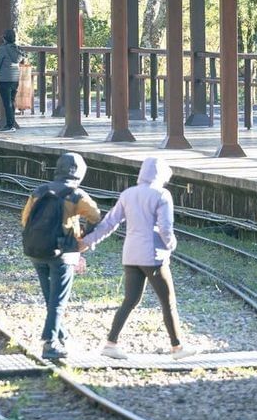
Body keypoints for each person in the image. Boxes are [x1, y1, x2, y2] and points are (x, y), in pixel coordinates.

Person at [79, 157, 195, 360]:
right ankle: (177, 347)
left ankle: (111, 343)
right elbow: (166, 228)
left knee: (130, 300)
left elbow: (109, 223)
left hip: (130, 255)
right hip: (153, 256)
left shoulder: (128, 194)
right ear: (162, 175)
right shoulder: (162, 195)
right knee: (168, 302)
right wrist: (171, 244)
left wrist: (87, 241)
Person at [21, 152, 101, 360]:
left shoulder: (38, 191)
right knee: (58, 299)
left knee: (50, 296)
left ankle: (61, 333)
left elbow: (25, 220)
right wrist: (83, 235)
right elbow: (95, 216)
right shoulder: (76, 195)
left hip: (35, 251)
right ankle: (50, 342)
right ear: (80, 173)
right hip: (63, 254)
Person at [0, 29, 23, 131]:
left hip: (5, 79)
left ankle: (9, 125)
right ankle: (12, 123)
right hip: (15, 78)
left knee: (7, 103)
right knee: (12, 101)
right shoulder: (17, 49)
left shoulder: (3, 49)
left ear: (5, 38)